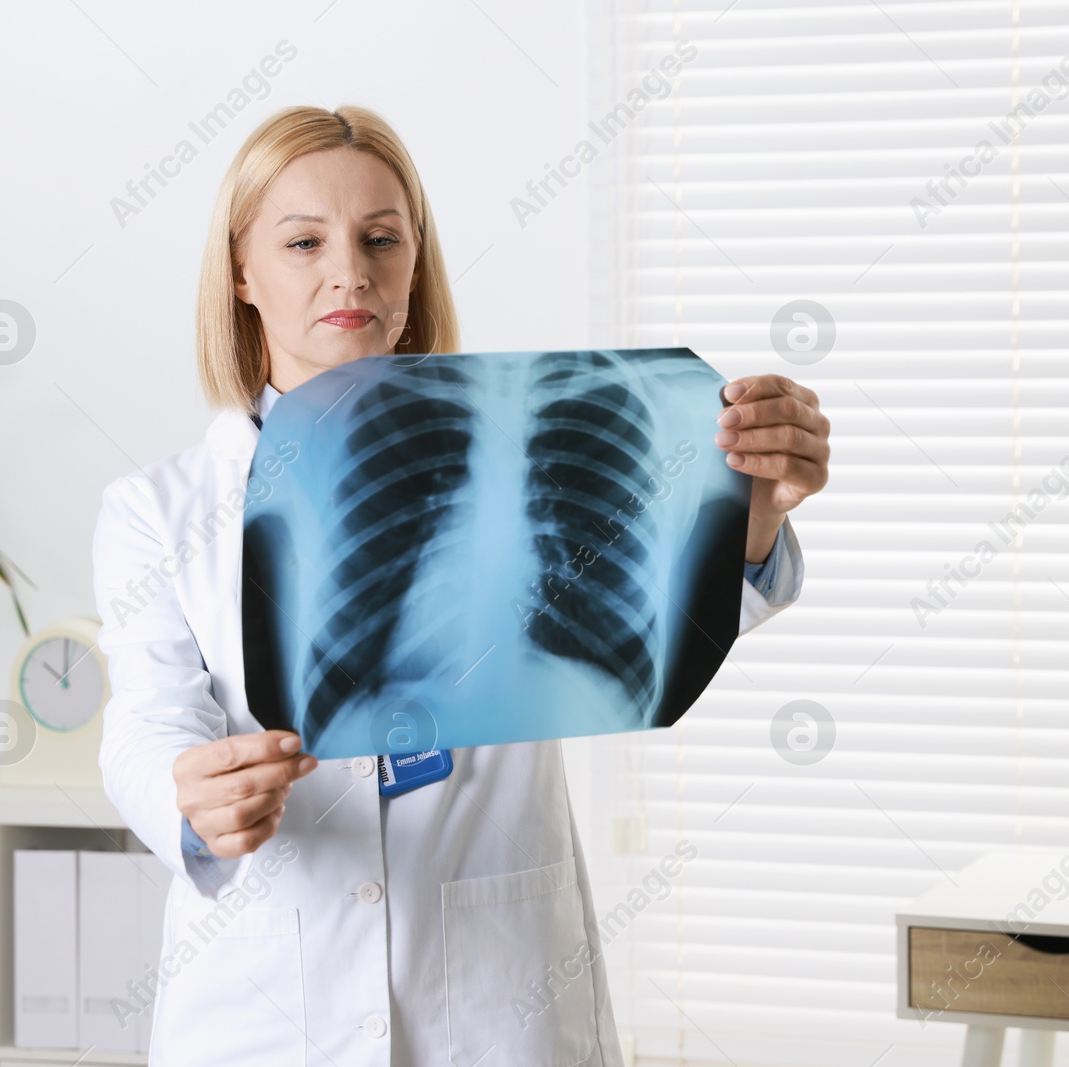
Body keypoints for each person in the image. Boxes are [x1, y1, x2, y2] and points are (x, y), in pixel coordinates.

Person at [90, 104, 831, 1066]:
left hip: (500, 996)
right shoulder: (162, 507)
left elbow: (661, 624)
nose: (348, 270)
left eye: (380, 238)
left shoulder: (530, 447)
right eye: (303, 240)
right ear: (241, 272)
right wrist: (189, 795)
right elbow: (147, 719)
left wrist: (756, 511)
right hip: (267, 1004)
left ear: (415, 262)